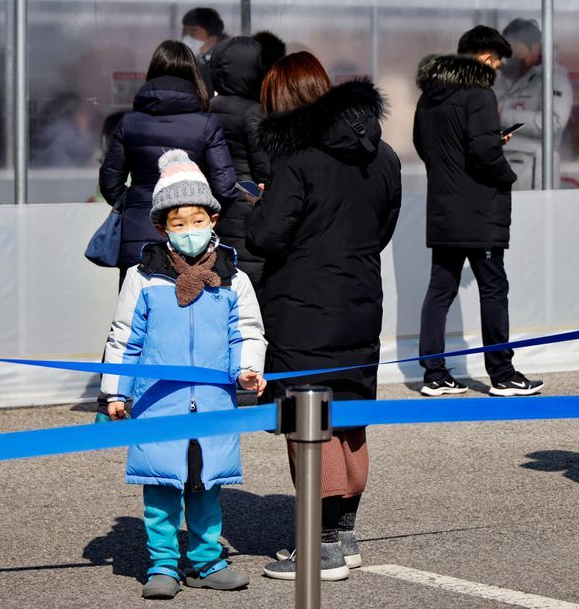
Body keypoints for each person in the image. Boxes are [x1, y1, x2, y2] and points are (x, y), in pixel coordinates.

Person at [245, 53, 402, 581]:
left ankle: (322, 544)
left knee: (306, 421)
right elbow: (383, 226)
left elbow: (266, 238)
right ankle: (347, 531)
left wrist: (259, 205)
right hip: (361, 299)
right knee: (351, 414)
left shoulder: (298, 161)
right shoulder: (384, 157)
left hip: (303, 306)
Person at [98, 149, 267, 599]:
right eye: (179, 223)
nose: (190, 231)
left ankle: (207, 559)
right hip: (158, 404)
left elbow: (246, 333)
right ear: (162, 228)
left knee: (207, 486)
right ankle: (163, 564)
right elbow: (123, 337)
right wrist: (115, 393)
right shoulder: (143, 277)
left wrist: (248, 370)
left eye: (198, 220)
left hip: (212, 403)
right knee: (160, 489)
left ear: (213, 219)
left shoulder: (233, 278)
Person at [413, 26, 545, 397]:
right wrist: (507, 173)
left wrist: (472, 153)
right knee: (493, 287)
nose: (497, 69)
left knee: (440, 288)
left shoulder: (430, 97)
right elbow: (484, 154)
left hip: (443, 207)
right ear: (485, 58)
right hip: (478, 209)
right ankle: (502, 373)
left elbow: (426, 146)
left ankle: (434, 374)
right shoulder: (479, 95)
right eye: (497, 62)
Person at [99, 40, 237, 282]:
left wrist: (137, 204)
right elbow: (224, 186)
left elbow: (110, 183)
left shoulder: (129, 122)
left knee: (134, 313)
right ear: (194, 76)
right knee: (188, 312)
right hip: (191, 238)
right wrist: (198, 214)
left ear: (152, 74)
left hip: (137, 234)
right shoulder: (206, 123)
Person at [208, 36, 271, 285]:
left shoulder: (207, 107)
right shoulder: (254, 112)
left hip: (215, 207)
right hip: (246, 208)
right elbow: (263, 169)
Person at [495, 18, 573, 190]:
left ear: (535, 47)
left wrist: (502, 115)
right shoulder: (505, 80)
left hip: (534, 173)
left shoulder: (554, 79)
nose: (510, 56)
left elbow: (554, 123)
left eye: (515, 49)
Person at [181, 7, 228, 98]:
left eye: (194, 31)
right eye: (185, 31)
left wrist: (201, 57)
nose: (188, 37)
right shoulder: (198, 58)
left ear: (212, 36)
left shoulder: (225, 56)